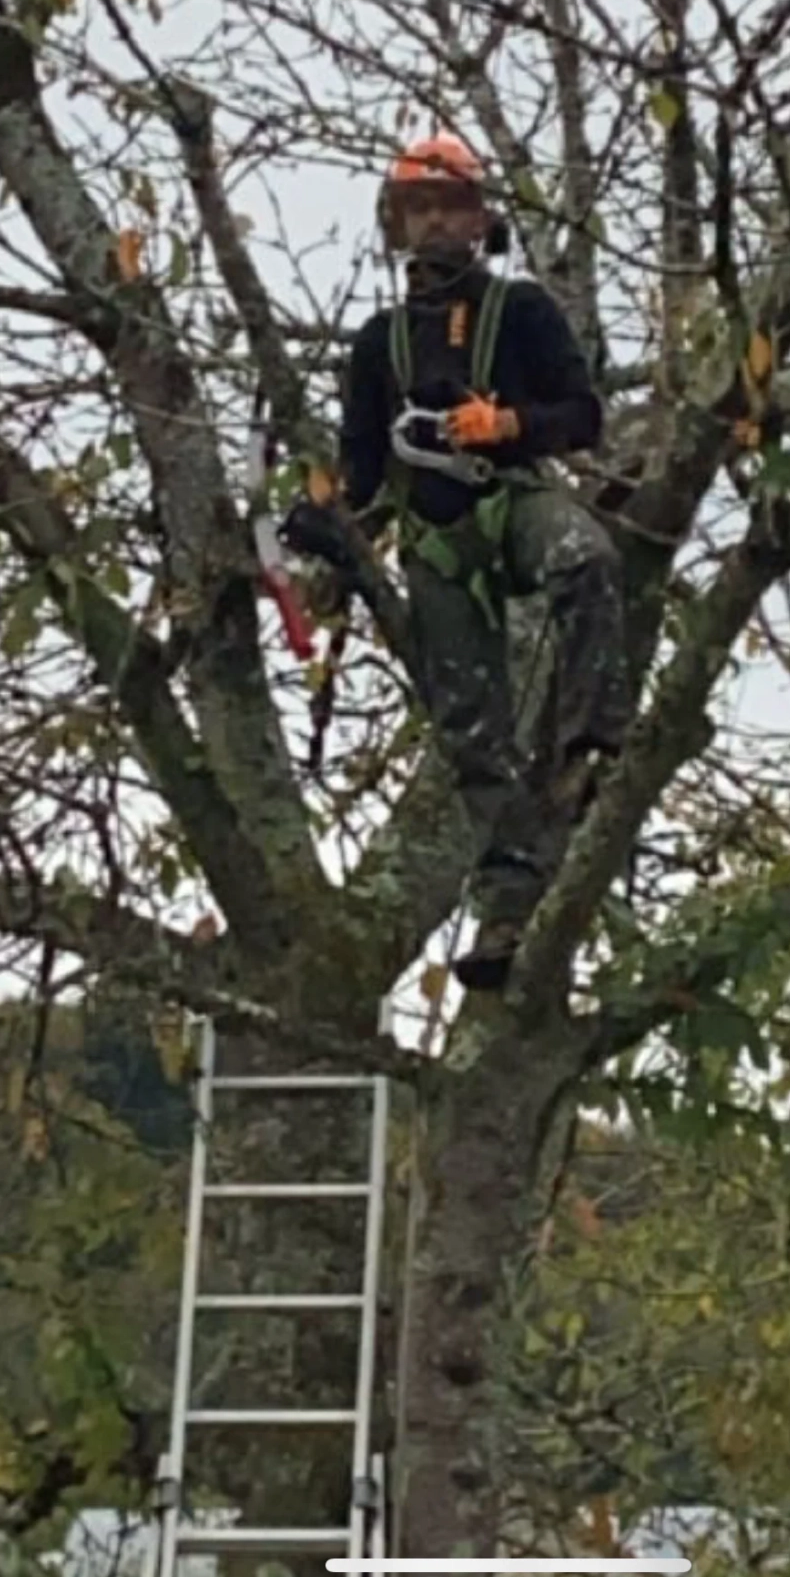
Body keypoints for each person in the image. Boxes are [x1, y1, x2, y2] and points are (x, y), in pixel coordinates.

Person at [295, 133, 630, 988]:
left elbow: (583, 415)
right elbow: (365, 468)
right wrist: (329, 530)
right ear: (399, 224)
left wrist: (510, 425)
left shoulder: (518, 312)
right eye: (421, 209)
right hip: (435, 542)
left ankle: (589, 746)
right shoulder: (379, 346)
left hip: (513, 499)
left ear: (482, 220)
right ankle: (506, 909)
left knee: (584, 558)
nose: (438, 222)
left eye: (452, 207)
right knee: (473, 736)